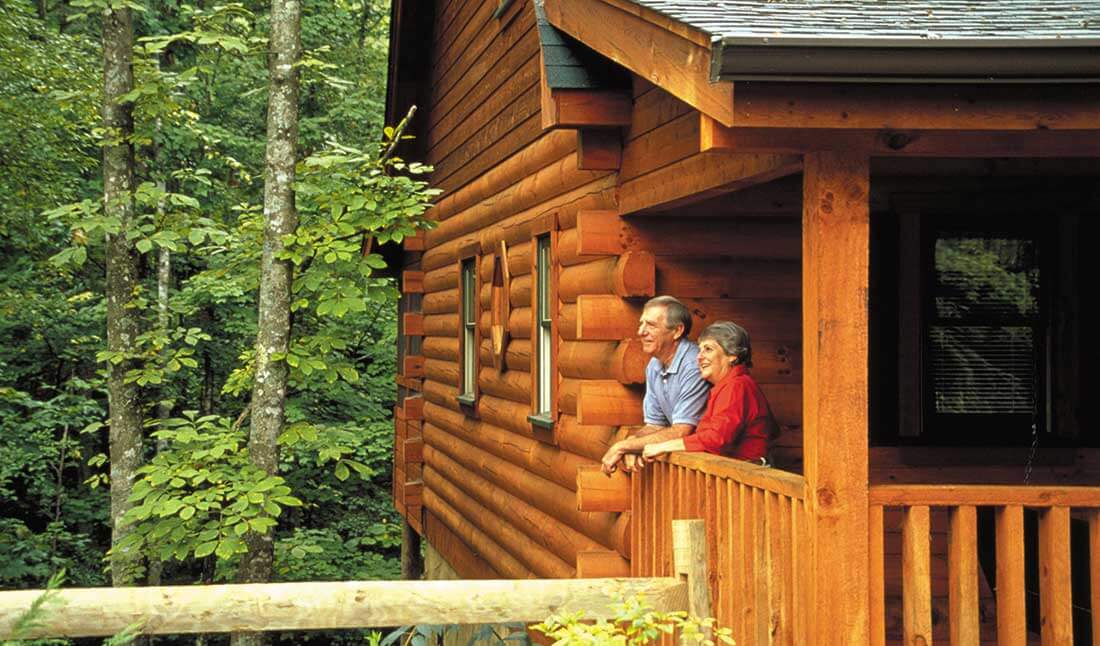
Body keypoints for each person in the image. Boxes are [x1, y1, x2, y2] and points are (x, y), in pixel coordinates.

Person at [599, 296, 710, 474]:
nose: (641, 331)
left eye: (651, 325)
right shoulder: (654, 365)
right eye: (641, 324)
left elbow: (682, 431)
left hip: (722, 465)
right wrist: (633, 444)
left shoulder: (694, 364)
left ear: (677, 331)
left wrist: (622, 447)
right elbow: (655, 425)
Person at [642, 320, 777, 463]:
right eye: (700, 350)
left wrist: (662, 446)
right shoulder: (728, 385)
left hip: (748, 475)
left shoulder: (737, 386)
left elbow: (716, 438)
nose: (699, 357)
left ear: (732, 355)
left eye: (708, 349)